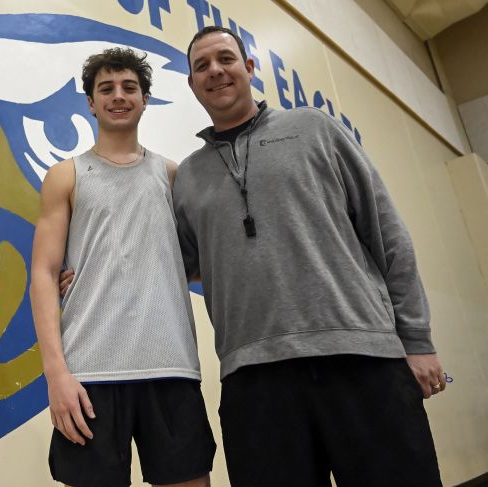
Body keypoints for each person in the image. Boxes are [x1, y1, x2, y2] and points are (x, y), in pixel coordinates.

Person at [172, 25, 445, 486]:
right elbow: (175, 266)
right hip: (253, 379)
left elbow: (387, 233)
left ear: (249, 68)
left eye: (226, 59)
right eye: (202, 66)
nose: (215, 71)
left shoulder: (314, 128)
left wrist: (417, 340)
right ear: (192, 84)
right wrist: (82, 275)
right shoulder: (189, 177)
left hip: (362, 358)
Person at [29, 47, 215, 487]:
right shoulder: (66, 175)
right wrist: (56, 374)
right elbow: (41, 273)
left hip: (171, 368)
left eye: (129, 87)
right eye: (105, 88)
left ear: (144, 98)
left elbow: (200, 262)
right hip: (89, 375)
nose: (118, 96)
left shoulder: (173, 176)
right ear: (90, 102)